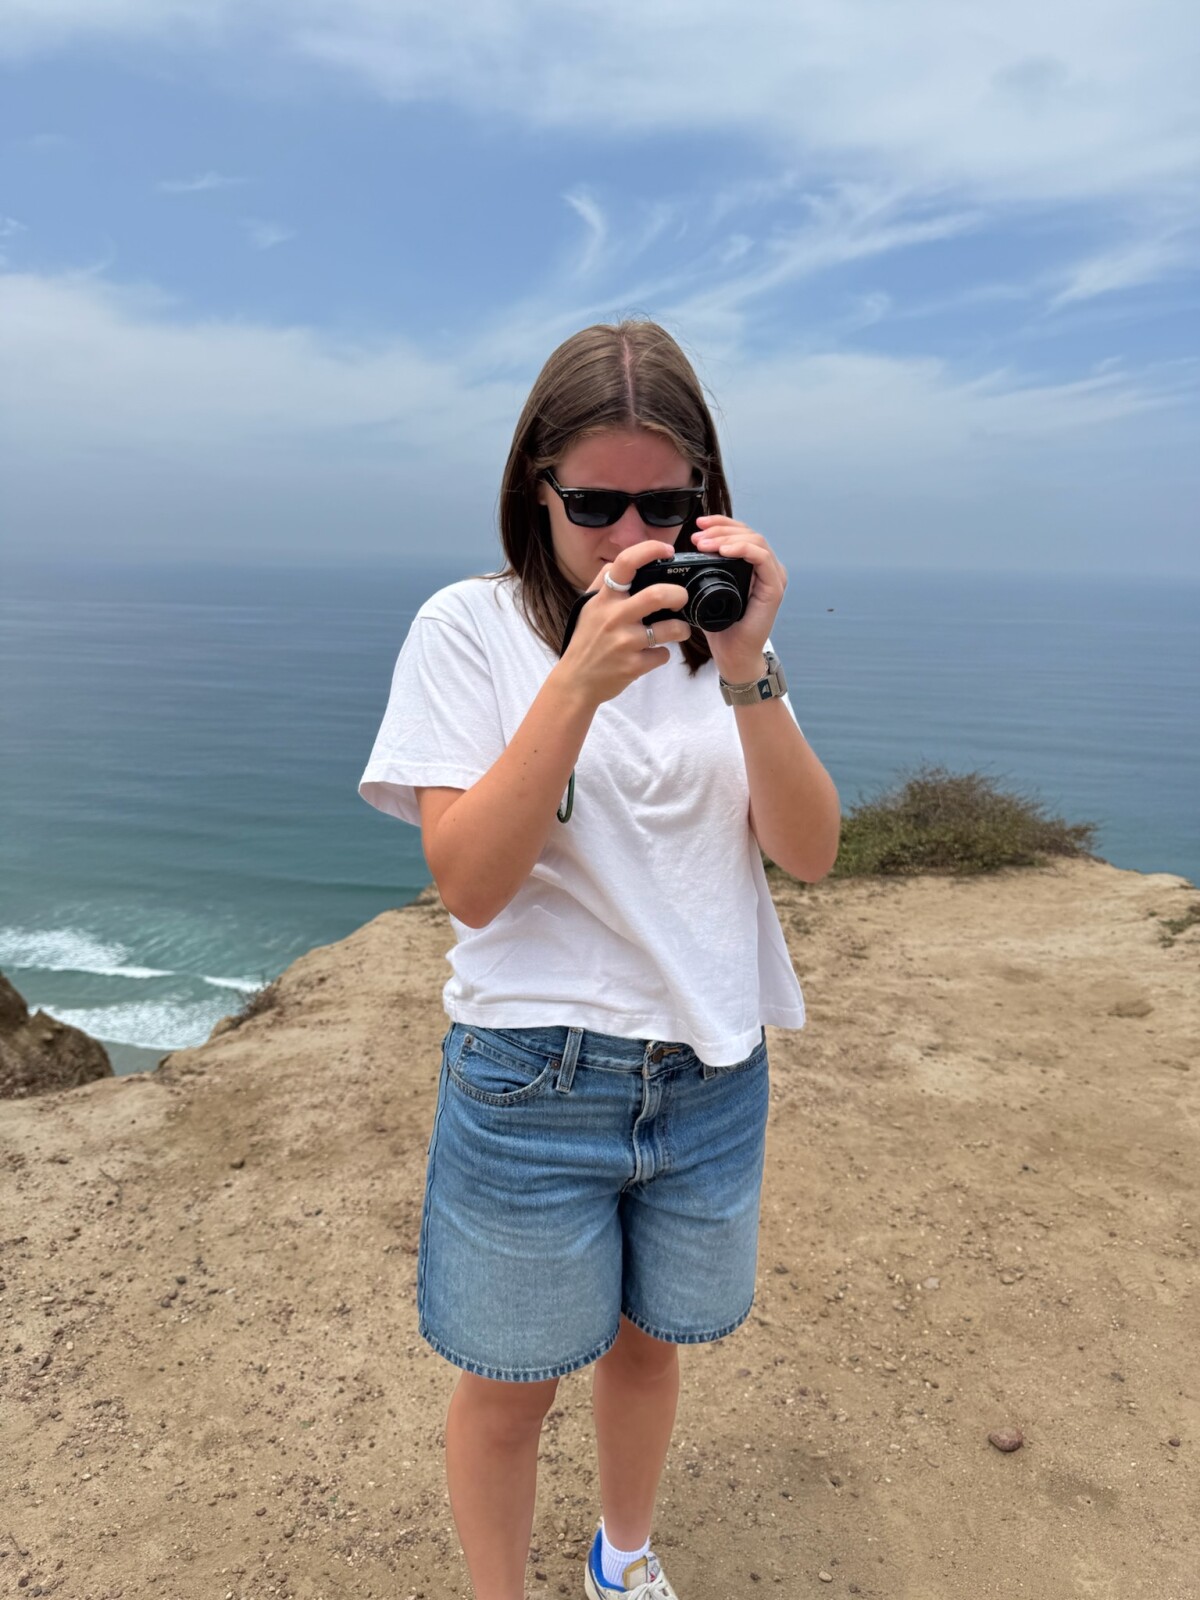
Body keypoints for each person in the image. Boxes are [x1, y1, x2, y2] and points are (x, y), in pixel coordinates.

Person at [358, 319, 840, 1600]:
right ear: (538, 487)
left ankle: (622, 1559)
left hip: (708, 1069)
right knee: (510, 1385)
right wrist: (575, 684)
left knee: (647, 1347)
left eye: (664, 505)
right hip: (534, 1077)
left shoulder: (723, 642)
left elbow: (808, 851)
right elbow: (470, 882)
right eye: (594, 505)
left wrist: (746, 664)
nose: (630, 535)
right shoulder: (468, 629)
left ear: (705, 500)